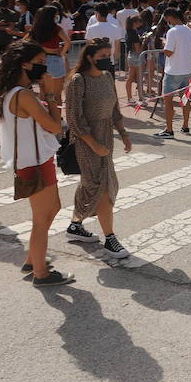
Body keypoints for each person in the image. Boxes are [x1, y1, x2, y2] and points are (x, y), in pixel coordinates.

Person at [0, 41, 73, 287]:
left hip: (37, 159)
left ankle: (32, 259)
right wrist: (50, 93)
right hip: (33, 162)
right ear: (25, 64)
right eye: (40, 63)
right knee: (41, 219)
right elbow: (54, 126)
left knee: (54, 207)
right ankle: (41, 273)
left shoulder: (15, 92)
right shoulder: (23, 94)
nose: (44, 67)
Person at [63, 39, 132, 258]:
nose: (107, 60)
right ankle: (110, 238)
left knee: (90, 183)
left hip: (106, 139)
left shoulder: (107, 77)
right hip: (86, 141)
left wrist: (123, 134)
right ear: (90, 57)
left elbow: (115, 110)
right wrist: (93, 144)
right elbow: (74, 119)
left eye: (109, 56)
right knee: (101, 185)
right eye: (102, 56)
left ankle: (76, 224)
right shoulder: (78, 80)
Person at [153, 7, 191, 139]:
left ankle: (169, 130)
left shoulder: (172, 32)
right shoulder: (189, 30)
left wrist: (165, 43)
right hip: (187, 69)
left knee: (168, 101)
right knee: (185, 99)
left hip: (173, 71)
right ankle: (185, 126)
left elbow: (169, 52)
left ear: (169, 18)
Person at [28, 6, 69, 113]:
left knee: (43, 93)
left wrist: (41, 49)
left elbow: (25, 42)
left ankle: (44, 119)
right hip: (55, 60)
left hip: (40, 61)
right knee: (56, 95)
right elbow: (67, 42)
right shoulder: (57, 29)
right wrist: (61, 53)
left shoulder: (35, 29)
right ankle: (57, 119)